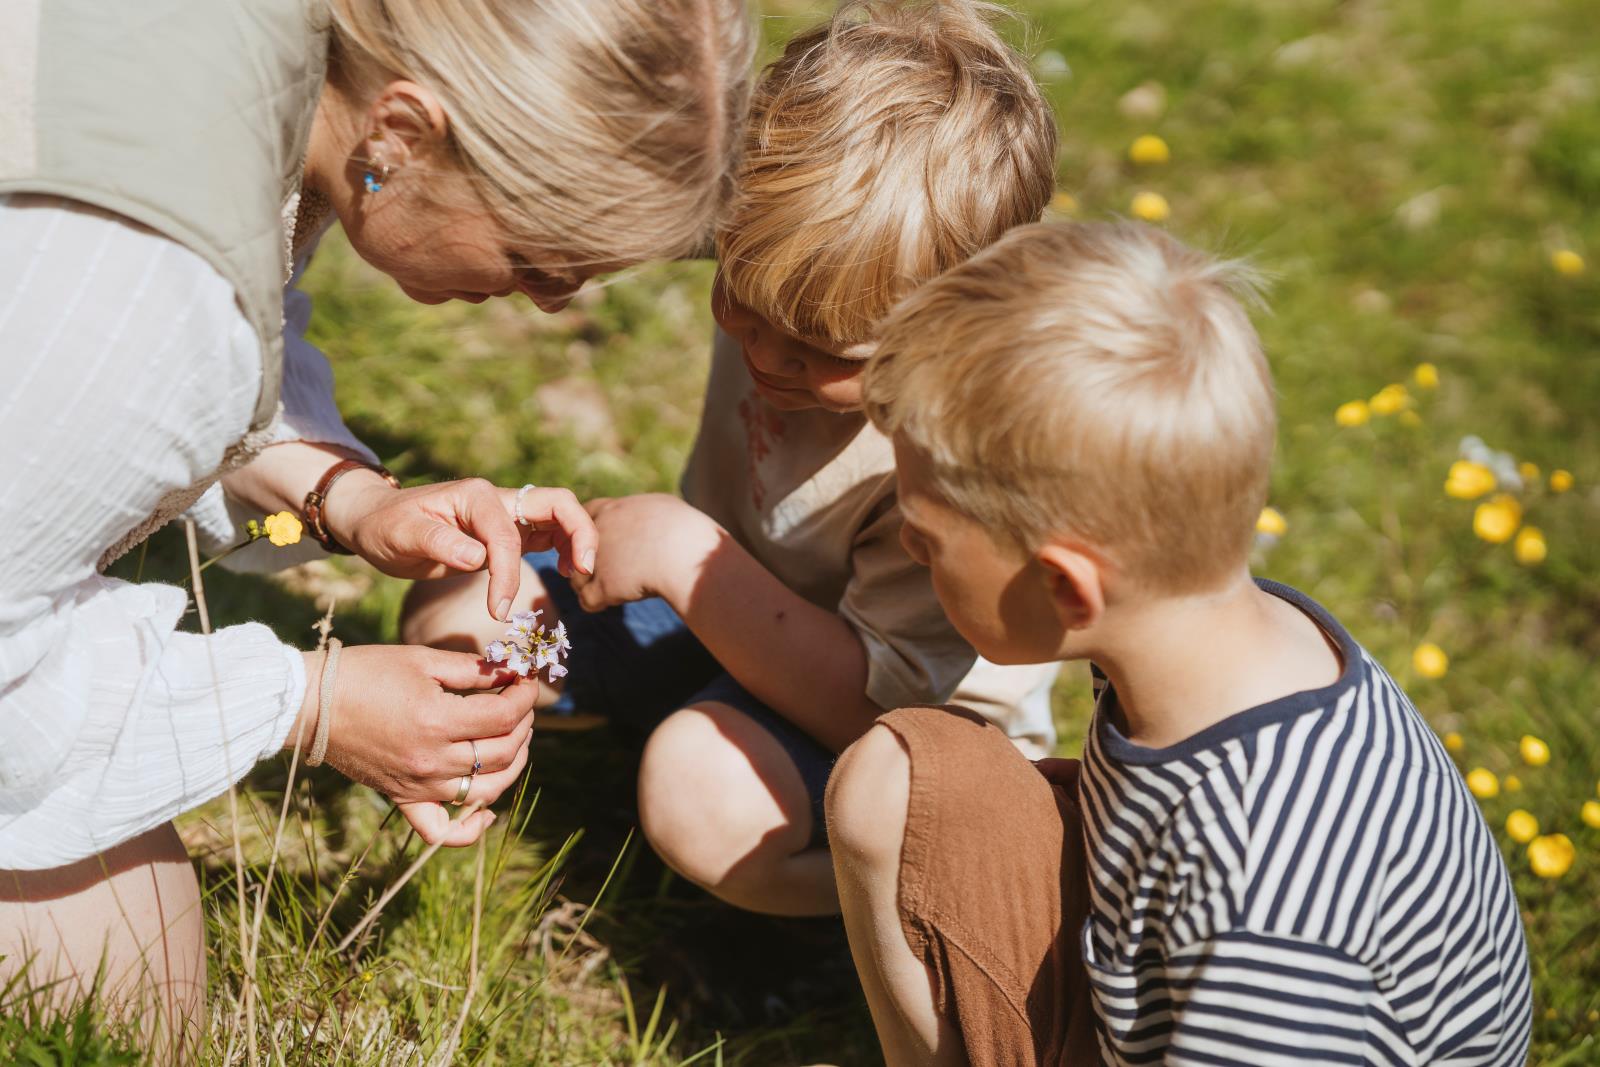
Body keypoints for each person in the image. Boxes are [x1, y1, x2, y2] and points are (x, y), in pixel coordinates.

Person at [0, 0, 752, 1053]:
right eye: (541, 256)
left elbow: (219, 326)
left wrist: (346, 496)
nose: (545, 302)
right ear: (401, 132)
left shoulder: (262, 68)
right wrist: (312, 702)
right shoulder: (142, 287)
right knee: (134, 1017)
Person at [400, 0, 1059, 918]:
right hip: (715, 623)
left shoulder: (950, 467)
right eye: (742, 296)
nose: (771, 355)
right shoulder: (800, 256)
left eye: (833, 353)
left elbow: (874, 709)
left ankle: (930, 898)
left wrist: (684, 558)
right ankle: (512, 735)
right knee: (465, 601)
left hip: (880, 731)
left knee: (699, 788)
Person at [826, 221, 1534, 1066]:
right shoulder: (1227, 643)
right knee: (898, 783)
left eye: (928, 540)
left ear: (1066, 588)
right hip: (1162, 987)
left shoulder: (1264, 899)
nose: (908, 551)